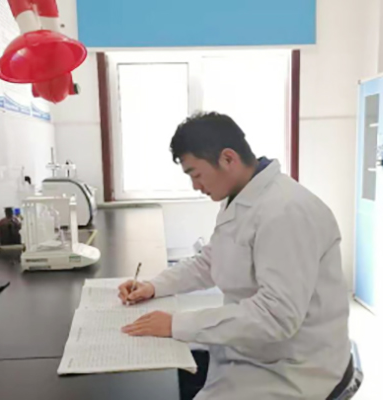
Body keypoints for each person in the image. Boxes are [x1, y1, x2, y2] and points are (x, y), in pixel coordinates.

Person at [119, 112, 352, 400]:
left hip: (294, 367)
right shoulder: (241, 197)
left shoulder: (286, 211)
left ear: (228, 158)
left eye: (196, 174)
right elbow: (211, 260)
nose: (195, 186)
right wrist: (155, 286)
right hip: (254, 351)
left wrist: (176, 323)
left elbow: (276, 316)